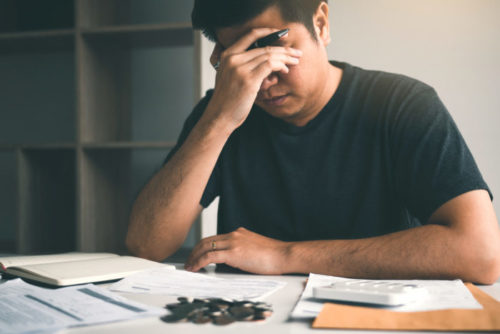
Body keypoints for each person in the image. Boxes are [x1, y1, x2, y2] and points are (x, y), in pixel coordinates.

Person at [126, 0, 500, 284]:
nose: (261, 78)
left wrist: (285, 256)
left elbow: (480, 254)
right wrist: (219, 120)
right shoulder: (221, 110)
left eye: (269, 47)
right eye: (239, 57)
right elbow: (146, 245)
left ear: (320, 24)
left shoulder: (403, 104)